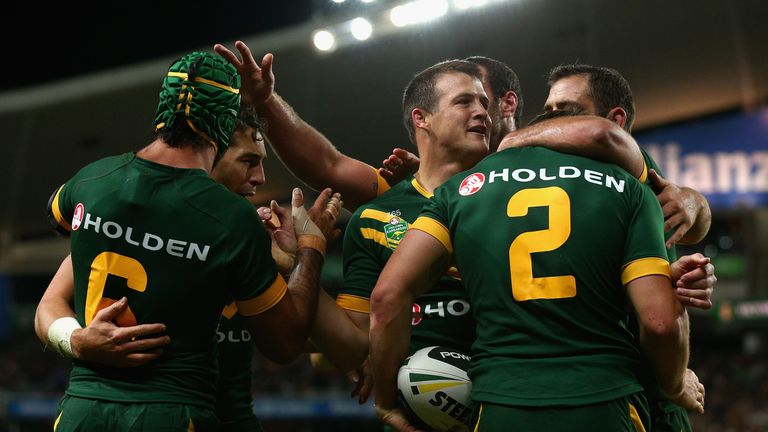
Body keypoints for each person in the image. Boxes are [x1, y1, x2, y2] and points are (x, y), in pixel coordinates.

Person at [37, 51, 335, 431]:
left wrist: (76, 340)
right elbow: (284, 345)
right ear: (225, 123)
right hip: (171, 413)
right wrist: (311, 248)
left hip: (80, 412)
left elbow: (57, 214)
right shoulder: (229, 219)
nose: (259, 177)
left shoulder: (91, 180)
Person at [368, 119, 705, 431]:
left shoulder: (458, 191)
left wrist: (384, 401)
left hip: (501, 404)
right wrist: (676, 386)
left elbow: (387, 297)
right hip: (605, 400)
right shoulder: (631, 189)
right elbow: (660, 323)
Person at [532, 63, 714, 431]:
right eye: (548, 112)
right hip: (597, 382)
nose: (550, 121)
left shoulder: (627, 164)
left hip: (643, 382)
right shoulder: (542, 170)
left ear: (614, 120)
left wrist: (692, 203)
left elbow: (694, 225)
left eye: (566, 111)